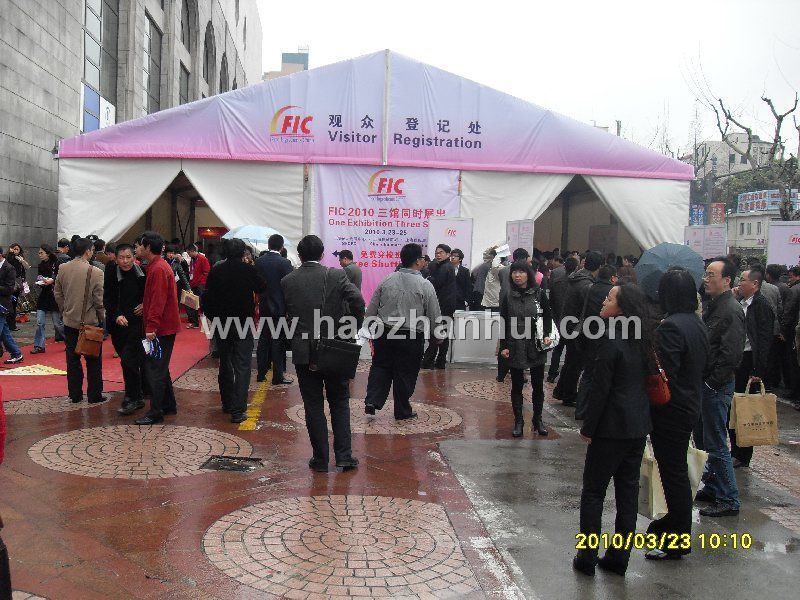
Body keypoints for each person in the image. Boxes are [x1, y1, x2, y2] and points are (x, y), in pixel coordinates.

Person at [574, 284, 652, 577]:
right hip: (637, 426)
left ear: (621, 308)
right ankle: (619, 557)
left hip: (610, 428)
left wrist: (589, 426)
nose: (603, 302)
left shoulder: (610, 339)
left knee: (594, 492)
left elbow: (600, 388)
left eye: (609, 299)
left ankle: (587, 556)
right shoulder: (643, 337)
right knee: (627, 494)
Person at [281, 235, 365, 473]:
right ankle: (344, 456)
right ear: (322, 254)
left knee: (313, 404)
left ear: (299, 255)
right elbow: (358, 301)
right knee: (339, 401)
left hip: (303, 351)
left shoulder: (288, 280)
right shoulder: (337, 275)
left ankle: (320, 459)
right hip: (334, 346)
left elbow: (287, 313)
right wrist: (352, 326)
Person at [645, 268, 709, 561]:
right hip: (690, 404)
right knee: (676, 472)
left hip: (671, 410)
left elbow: (664, 371)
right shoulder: (697, 323)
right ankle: (671, 529)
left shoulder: (670, 327)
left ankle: (677, 538)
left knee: (673, 475)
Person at [364, 243, 442, 420]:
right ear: (418, 261)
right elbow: (434, 313)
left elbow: (372, 308)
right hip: (410, 336)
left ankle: (373, 400)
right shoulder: (425, 285)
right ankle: (402, 410)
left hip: (384, 333)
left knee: (380, 367)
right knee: (405, 372)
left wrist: (368, 326)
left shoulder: (387, 279)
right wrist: (437, 334)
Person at [694, 257, 745, 517]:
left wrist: (712, 382)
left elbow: (731, 354)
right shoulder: (714, 306)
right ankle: (713, 487)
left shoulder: (730, 310)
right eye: (706, 274)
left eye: (711, 275)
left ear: (727, 280)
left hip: (716, 385)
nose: (706, 279)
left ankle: (729, 498)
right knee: (704, 440)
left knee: (716, 443)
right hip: (706, 383)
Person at [202, 238, 267, 423]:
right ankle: (238, 410)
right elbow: (262, 286)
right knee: (243, 366)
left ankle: (227, 403)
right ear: (243, 253)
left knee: (225, 362)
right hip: (242, 323)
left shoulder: (216, 270)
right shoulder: (248, 270)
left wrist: (213, 316)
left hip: (221, 322)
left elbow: (207, 296)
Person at [499, 261, 552, 437]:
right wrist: (504, 345)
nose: (517, 275)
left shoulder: (539, 293)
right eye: (514, 272)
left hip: (535, 344)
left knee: (538, 385)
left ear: (528, 274)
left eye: (521, 272)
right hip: (515, 345)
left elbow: (547, 316)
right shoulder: (508, 295)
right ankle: (519, 421)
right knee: (516, 385)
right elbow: (504, 321)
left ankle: (538, 420)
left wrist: (546, 334)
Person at [134, 232, 181, 425]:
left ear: (147, 247)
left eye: (139, 245)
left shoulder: (158, 268)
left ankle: (156, 412)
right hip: (162, 327)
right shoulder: (157, 266)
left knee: (154, 369)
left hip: (161, 329)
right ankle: (168, 405)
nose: (136, 249)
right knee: (160, 367)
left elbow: (158, 301)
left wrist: (151, 327)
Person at [729, 268, 774, 468]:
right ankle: (735, 450)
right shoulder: (741, 302)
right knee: (733, 408)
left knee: (745, 409)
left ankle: (743, 454)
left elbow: (764, 340)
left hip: (750, 361)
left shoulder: (761, 305)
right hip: (738, 358)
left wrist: (758, 371)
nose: (739, 283)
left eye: (743, 280)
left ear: (755, 284)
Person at [54, 238, 104, 402]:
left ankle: (75, 394)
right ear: (88, 251)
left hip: (69, 321)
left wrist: (65, 310)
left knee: (72, 360)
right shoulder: (96, 272)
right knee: (93, 360)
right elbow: (98, 301)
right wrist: (101, 317)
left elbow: (58, 293)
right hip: (90, 322)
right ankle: (94, 395)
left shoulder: (63, 268)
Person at [554, 251, 603, 406]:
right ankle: (568, 395)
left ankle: (561, 390)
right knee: (576, 363)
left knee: (570, 360)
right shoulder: (586, 284)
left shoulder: (577, 277)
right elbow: (587, 308)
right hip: (577, 328)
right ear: (599, 266)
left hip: (568, 323)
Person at [104, 243, 147, 416]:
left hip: (137, 323)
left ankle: (132, 397)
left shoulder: (142, 272)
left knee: (128, 360)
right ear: (116, 258)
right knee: (128, 359)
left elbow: (149, 294)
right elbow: (107, 298)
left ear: (134, 257)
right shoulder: (111, 272)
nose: (125, 261)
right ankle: (138, 393)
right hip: (118, 325)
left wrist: (144, 304)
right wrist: (116, 315)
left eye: (128, 257)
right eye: (121, 258)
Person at [574, 265, 617, 420]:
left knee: (587, 373)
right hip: (604, 335)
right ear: (612, 277)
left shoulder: (589, 288)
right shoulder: (612, 292)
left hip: (588, 333)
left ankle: (580, 409)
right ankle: (592, 410)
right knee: (599, 375)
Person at [255, 234, 294, 385]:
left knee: (263, 339)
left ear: (268, 245)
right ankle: (278, 376)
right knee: (278, 341)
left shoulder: (259, 262)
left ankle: (261, 373)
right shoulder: (285, 263)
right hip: (280, 307)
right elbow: (289, 287)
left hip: (264, 306)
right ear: (282, 247)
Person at [421, 244, 457, 370]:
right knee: (441, 334)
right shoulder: (440, 265)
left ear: (448, 254)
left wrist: (427, 279)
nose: (438, 254)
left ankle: (429, 361)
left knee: (436, 333)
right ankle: (439, 361)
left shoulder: (446, 267)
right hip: (443, 304)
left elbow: (436, 283)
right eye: (436, 252)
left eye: (441, 252)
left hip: (443, 305)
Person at [546, 255, 577, 383]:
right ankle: (566, 376)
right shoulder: (577, 283)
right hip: (572, 321)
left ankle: (551, 374)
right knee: (571, 350)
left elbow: (551, 302)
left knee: (557, 349)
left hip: (558, 318)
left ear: (564, 266)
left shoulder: (556, 281)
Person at [31, 245, 65, 354]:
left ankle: (70, 341)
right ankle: (39, 346)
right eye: (39, 253)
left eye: (41, 253)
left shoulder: (57, 263)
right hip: (44, 295)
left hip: (54, 296)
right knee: (39, 322)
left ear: (48, 253)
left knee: (57, 324)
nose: (39, 255)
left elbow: (60, 277)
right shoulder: (41, 265)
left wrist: (52, 280)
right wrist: (40, 281)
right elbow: (40, 277)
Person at [4, 243, 28, 331]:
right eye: (14, 249)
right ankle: (9, 325)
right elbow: (8, 262)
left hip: (18, 284)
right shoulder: (9, 258)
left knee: (14, 304)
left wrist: (23, 280)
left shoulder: (20, 259)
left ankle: (12, 325)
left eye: (17, 249)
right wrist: (11, 253)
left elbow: (24, 269)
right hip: (10, 284)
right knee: (9, 304)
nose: (16, 251)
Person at [186, 243, 210, 329]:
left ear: (193, 251)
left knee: (202, 304)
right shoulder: (192, 259)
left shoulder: (203, 259)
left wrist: (200, 282)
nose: (188, 254)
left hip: (200, 285)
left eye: (189, 253)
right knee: (192, 303)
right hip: (193, 283)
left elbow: (207, 272)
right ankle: (194, 322)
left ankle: (207, 322)